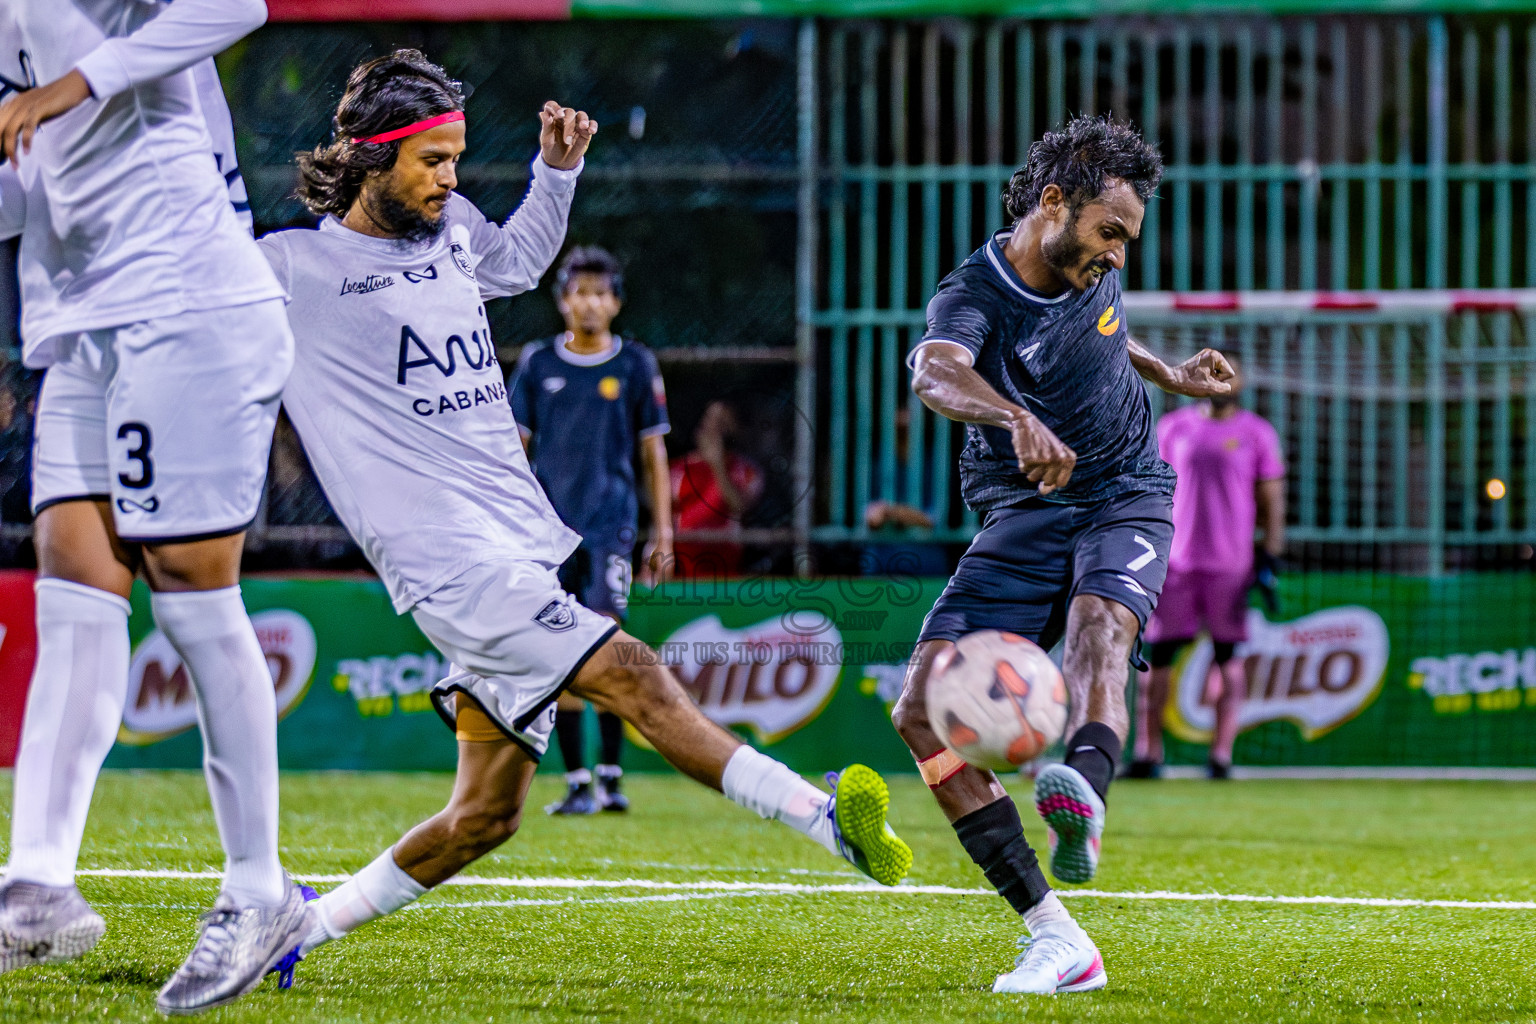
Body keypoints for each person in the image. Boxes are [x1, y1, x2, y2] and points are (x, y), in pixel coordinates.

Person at [257, 50, 911, 978]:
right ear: (370, 155)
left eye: (456, 159)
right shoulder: (291, 269)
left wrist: (556, 173)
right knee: (636, 676)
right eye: (432, 161)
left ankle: (300, 930)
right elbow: (189, 313)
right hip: (449, 565)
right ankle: (822, 817)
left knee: (484, 817)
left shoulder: (451, 230)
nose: (450, 179)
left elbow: (520, 262)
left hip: (518, 548)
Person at [0, 3, 312, 1013]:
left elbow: (237, 4)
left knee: (189, 592)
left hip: (187, 300)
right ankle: (37, 886)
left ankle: (260, 891)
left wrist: (76, 82)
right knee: (75, 585)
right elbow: (21, 188)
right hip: (83, 317)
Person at [890, 115, 1234, 996]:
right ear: (1053, 202)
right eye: (1109, 231)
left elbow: (1105, 331)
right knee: (919, 713)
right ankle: (1056, 936)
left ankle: (1081, 791)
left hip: (1127, 492)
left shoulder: (1092, 268)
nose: (1118, 254)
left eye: (1127, 239)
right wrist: (1014, 416)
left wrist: (1170, 375)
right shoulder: (975, 292)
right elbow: (932, 370)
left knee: (1099, 626)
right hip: (1024, 510)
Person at [509, 245, 673, 815]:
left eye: (600, 293)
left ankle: (610, 777)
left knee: (606, 642)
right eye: (580, 293)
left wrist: (664, 534)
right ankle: (578, 780)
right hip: (549, 534)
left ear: (616, 303)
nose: (590, 304)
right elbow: (514, 452)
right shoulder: (537, 364)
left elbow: (654, 453)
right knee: (563, 647)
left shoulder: (635, 365)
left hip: (611, 529)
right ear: (562, 301)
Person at [1131, 356, 1286, 779]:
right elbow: (1150, 487)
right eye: (1216, 371)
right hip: (1174, 564)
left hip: (1230, 566)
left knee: (1228, 659)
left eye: (1230, 373)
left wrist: (1271, 551)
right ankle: (1148, 753)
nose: (1222, 380)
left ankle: (1221, 756)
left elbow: (1272, 497)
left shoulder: (1256, 433)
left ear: (1243, 380)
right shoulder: (1173, 428)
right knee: (1157, 659)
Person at [670, 400, 763, 578]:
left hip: (728, 563)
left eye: (722, 422)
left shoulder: (747, 470)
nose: (714, 428)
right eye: (709, 420)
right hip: (684, 564)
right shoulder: (677, 469)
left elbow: (739, 506)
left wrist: (717, 464)